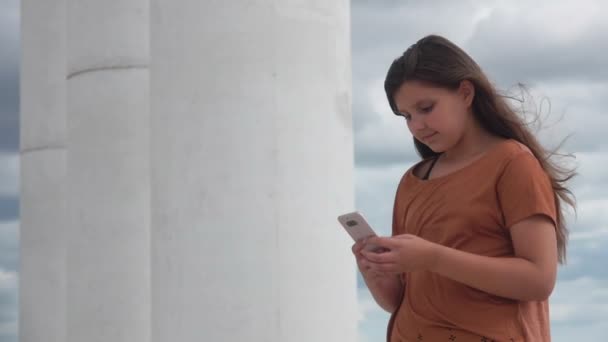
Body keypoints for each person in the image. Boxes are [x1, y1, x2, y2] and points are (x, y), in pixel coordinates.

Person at [351, 35, 576, 342]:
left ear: (466, 93)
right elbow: (399, 302)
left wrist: (432, 257)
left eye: (426, 108)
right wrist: (376, 272)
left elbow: (539, 279)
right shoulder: (412, 181)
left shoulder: (512, 163)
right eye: (406, 116)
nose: (416, 125)